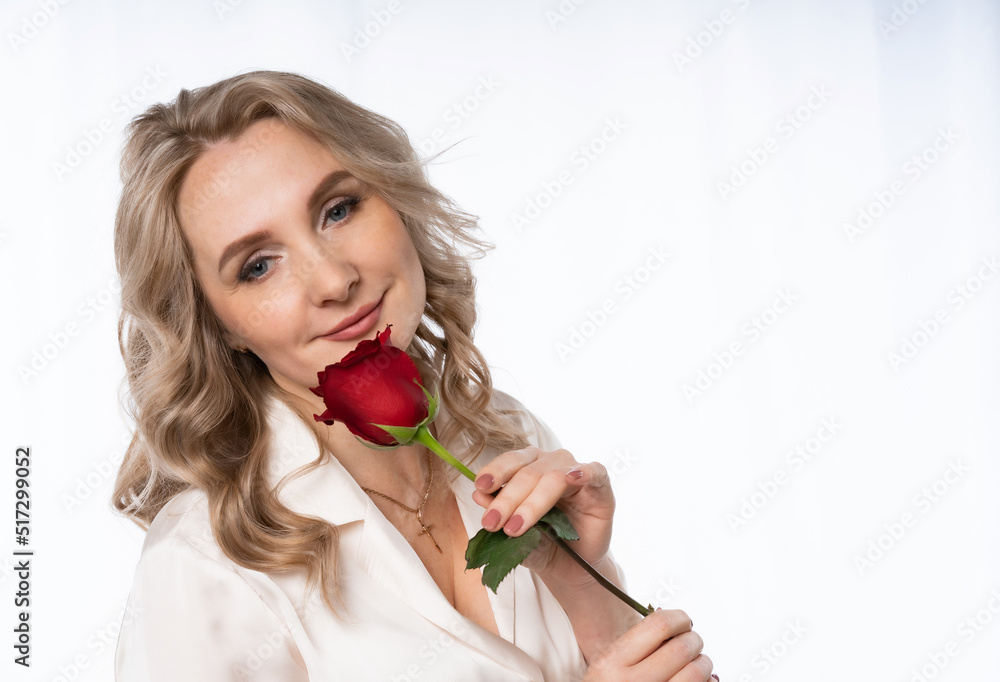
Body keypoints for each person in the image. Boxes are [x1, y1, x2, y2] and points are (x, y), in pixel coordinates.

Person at [111, 70, 716, 681]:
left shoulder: (505, 435)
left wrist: (583, 581)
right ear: (217, 325)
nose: (334, 280)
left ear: (395, 197)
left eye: (338, 210)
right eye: (258, 266)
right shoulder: (200, 565)